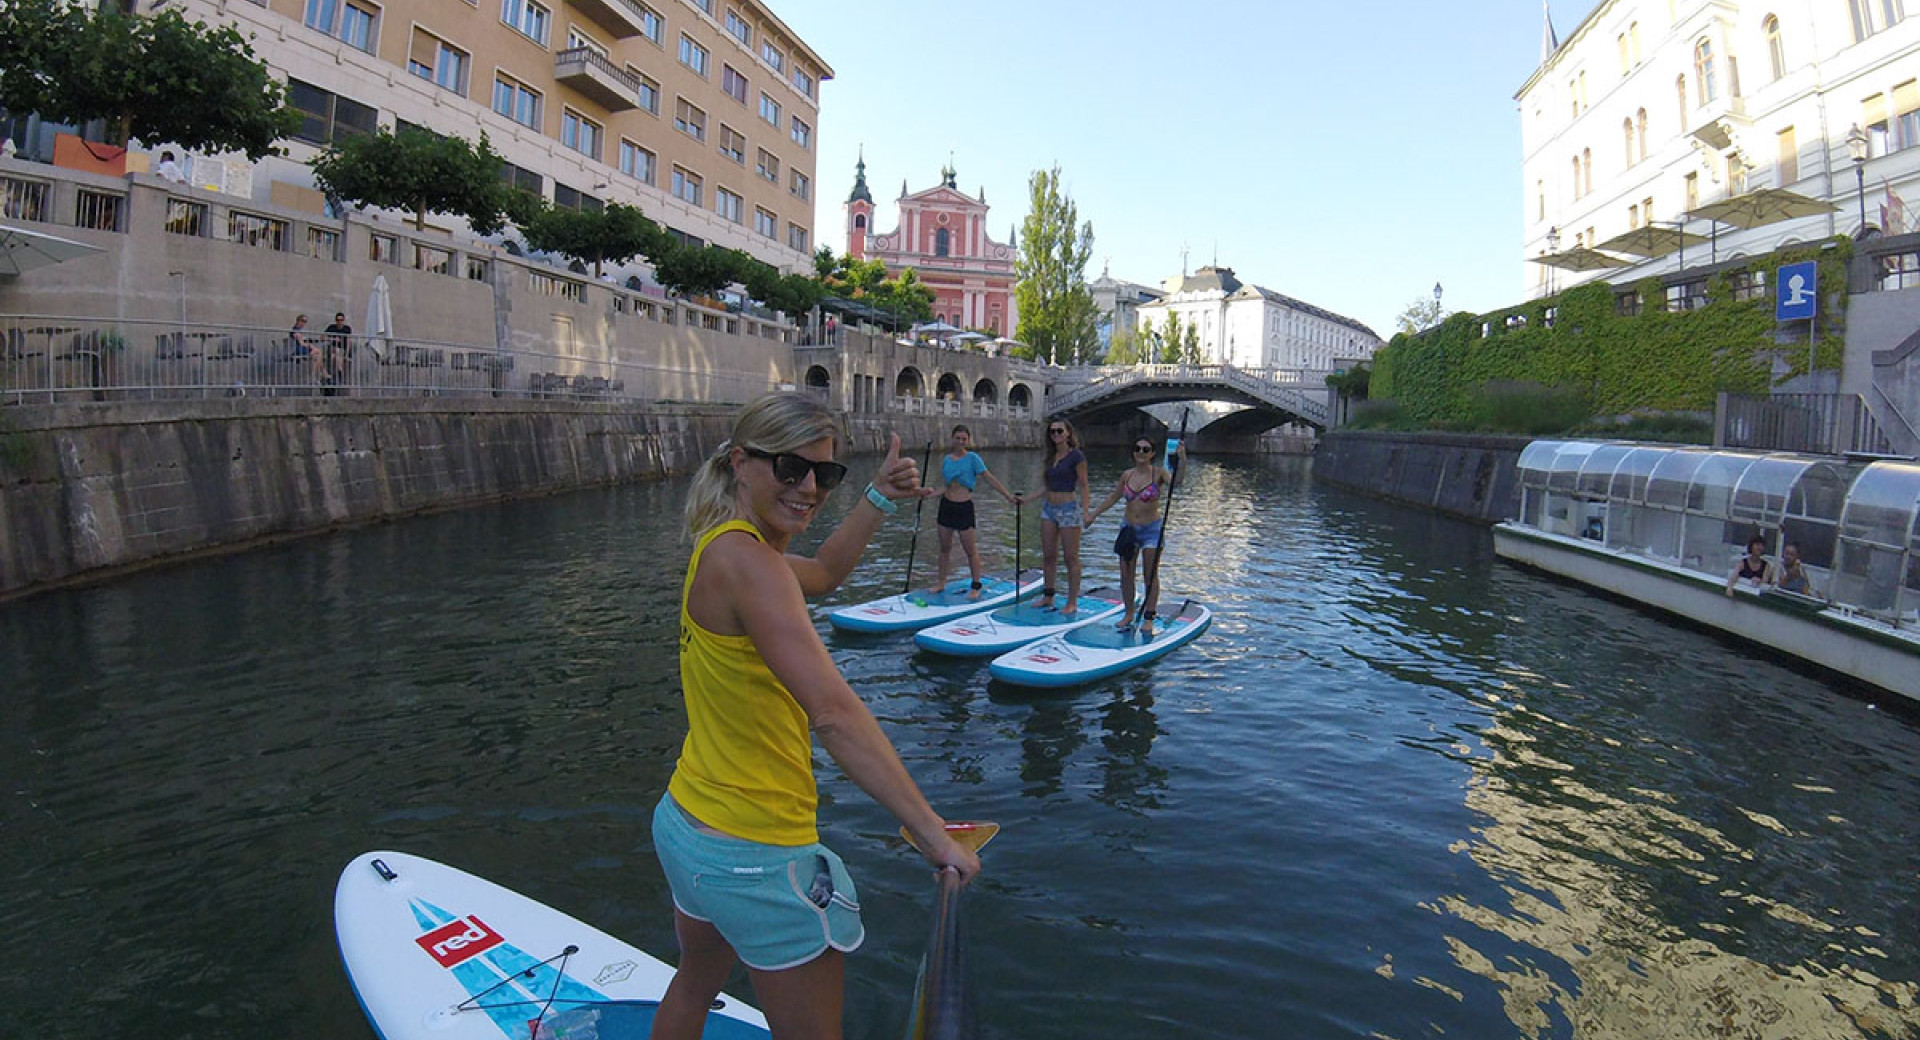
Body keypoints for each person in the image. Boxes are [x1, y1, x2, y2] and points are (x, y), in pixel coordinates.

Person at [652, 393, 982, 1040]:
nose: (809, 488)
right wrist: (933, 833)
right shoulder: (752, 565)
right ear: (742, 463)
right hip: (755, 850)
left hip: (687, 827)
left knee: (694, 985)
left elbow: (827, 571)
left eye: (825, 475)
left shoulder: (725, 547)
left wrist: (878, 496)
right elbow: (833, 714)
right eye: (790, 469)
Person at [1088, 437, 1175, 637]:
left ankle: (1149, 618)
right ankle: (1128, 613)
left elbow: (1176, 482)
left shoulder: (1159, 473)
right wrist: (1093, 514)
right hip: (1129, 529)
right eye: (1137, 448)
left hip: (1152, 529)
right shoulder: (1127, 475)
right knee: (1126, 575)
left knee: (1149, 575)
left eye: (1146, 449)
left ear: (1152, 453)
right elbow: (1113, 497)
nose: (1141, 452)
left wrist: (1182, 458)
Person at [925, 424, 1017, 599]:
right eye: (957, 438)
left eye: (964, 439)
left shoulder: (973, 458)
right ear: (952, 439)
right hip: (946, 506)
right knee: (944, 548)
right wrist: (928, 495)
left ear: (968, 440)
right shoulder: (947, 459)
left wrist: (1007, 495)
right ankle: (941, 582)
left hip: (964, 507)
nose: (960, 442)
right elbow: (944, 486)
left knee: (970, 550)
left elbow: (989, 478)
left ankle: (976, 585)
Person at [1014, 419, 1090, 616]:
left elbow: (1083, 485)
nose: (1055, 434)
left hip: (1068, 509)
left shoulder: (1076, 456)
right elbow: (1046, 486)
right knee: (1048, 555)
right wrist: (1026, 500)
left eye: (1059, 431)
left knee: (1070, 558)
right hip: (1049, 508)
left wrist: (1086, 511)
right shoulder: (1051, 457)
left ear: (1067, 434)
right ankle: (1048, 594)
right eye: (1052, 432)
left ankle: (1072, 601)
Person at [323, 311, 354, 393]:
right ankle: (339, 374)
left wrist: (346, 354)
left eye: (341, 320)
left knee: (337, 354)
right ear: (335, 320)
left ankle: (338, 376)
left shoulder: (347, 328)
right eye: (338, 320)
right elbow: (322, 337)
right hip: (334, 348)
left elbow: (349, 341)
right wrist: (333, 339)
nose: (339, 322)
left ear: (343, 320)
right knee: (335, 353)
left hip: (343, 350)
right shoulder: (332, 327)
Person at [287, 314, 321, 383]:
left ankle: (319, 374)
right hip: (299, 350)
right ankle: (315, 375)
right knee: (318, 352)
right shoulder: (295, 330)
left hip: (300, 349)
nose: (303, 323)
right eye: (302, 321)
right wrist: (310, 345)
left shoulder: (298, 330)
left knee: (317, 356)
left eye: (305, 321)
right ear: (298, 321)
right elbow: (301, 343)